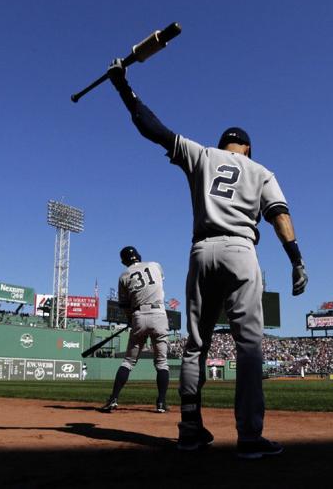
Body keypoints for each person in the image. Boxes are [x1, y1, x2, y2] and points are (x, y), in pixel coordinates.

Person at [107, 60, 308, 458]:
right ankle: (249, 437)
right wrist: (296, 259)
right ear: (247, 149)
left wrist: (123, 88)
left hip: (201, 250)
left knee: (195, 346)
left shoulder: (204, 155)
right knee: (249, 346)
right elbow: (279, 216)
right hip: (240, 250)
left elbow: (153, 128)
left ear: (222, 145)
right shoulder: (261, 170)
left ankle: (189, 430)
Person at [100, 246, 170, 413]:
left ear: (123, 261)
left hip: (139, 314)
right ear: (139, 255)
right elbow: (157, 283)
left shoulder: (124, 275)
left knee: (128, 362)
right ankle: (161, 403)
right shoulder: (155, 265)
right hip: (159, 313)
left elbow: (124, 305)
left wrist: (132, 320)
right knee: (161, 363)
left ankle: (113, 399)